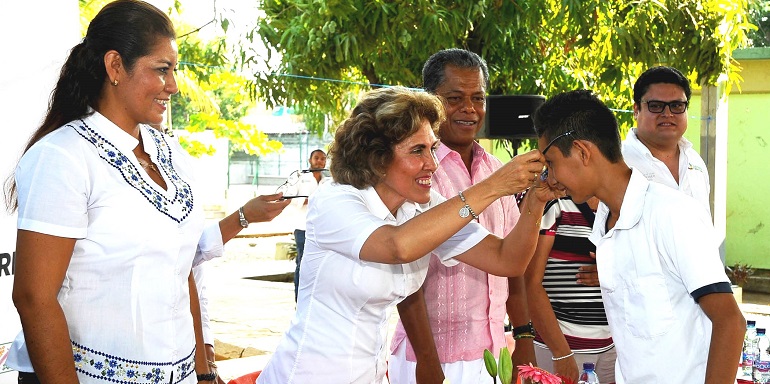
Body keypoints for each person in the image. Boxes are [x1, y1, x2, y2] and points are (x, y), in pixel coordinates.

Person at [4, 1, 290, 383]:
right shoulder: (63, 157)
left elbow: (180, 266)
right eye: (161, 70)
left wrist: (202, 372)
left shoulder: (171, 154)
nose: (172, 86)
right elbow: (33, 298)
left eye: (174, 70)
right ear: (115, 67)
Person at [256, 86, 563, 384]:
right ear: (376, 156)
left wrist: (536, 201)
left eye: (432, 148)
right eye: (417, 151)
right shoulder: (336, 199)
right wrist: (494, 185)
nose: (432, 164)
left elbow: (507, 260)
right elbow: (397, 245)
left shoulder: (420, 206)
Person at [533, 89, 745, 383]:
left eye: (552, 163)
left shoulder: (671, 213)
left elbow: (730, 321)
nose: (551, 178)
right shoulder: (604, 226)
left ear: (582, 152)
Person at [389, 48, 535, 384]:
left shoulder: (498, 170)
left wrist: (524, 338)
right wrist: (428, 361)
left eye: (478, 98)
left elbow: (513, 262)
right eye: (455, 98)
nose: (469, 109)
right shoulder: (416, 173)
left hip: (494, 355)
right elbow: (407, 278)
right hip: (429, 357)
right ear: (430, 101)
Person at [523, 196, 615, 383]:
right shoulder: (556, 204)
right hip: (563, 346)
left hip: (613, 348)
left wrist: (610, 273)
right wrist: (561, 353)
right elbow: (530, 282)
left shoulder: (616, 205)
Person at [625, 65, 710, 213]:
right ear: (636, 110)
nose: (667, 113)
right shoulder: (619, 162)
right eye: (656, 106)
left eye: (676, 105)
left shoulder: (695, 163)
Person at [281, 149, 329, 301]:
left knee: (319, 266)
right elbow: (289, 197)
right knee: (302, 264)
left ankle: (314, 301)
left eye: (323, 159)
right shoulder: (300, 178)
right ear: (310, 160)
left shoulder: (327, 181)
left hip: (321, 229)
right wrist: (310, 200)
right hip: (302, 227)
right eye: (316, 158)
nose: (319, 161)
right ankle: (299, 300)